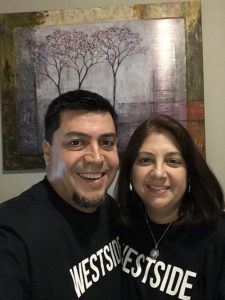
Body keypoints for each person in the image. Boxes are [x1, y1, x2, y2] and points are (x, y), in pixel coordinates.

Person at [0, 89, 122, 300]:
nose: (96, 157)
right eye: (76, 142)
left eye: (106, 142)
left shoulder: (109, 209)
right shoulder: (11, 234)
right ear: (47, 153)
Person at [117, 114, 225, 300]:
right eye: (145, 160)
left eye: (173, 161)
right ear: (130, 172)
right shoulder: (120, 226)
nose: (158, 173)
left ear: (189, 174)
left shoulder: (217, 237)